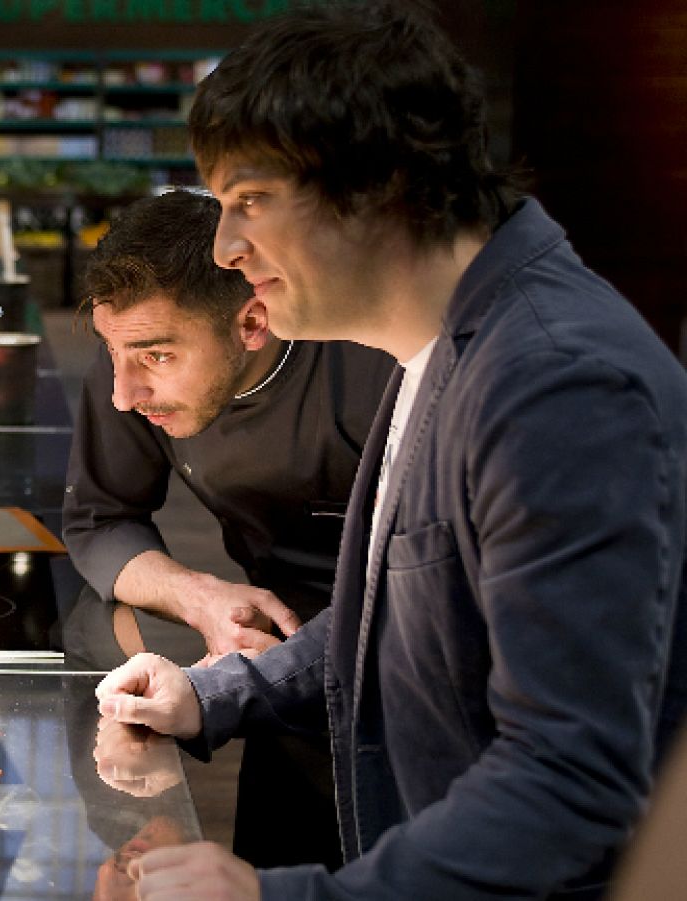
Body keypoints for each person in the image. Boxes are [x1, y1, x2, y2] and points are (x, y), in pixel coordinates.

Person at [96, 4, 687, 899]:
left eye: (250, 201)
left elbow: (568, 780)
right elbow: (389, 611)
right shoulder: (438, 347)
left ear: (377, 185)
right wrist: (215, 694)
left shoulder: (555, 385)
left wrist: (286, 896)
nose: (225, 247)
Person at [61, 188, 391, 869]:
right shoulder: (131, 355)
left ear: (252, 323)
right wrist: (198, 596)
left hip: (405, 641)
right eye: (114, 354)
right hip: (271, 633)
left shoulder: (371, 365)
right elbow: (100, 517)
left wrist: (224, 689)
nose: (123, 394)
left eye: (156, 356)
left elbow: (403, 599)